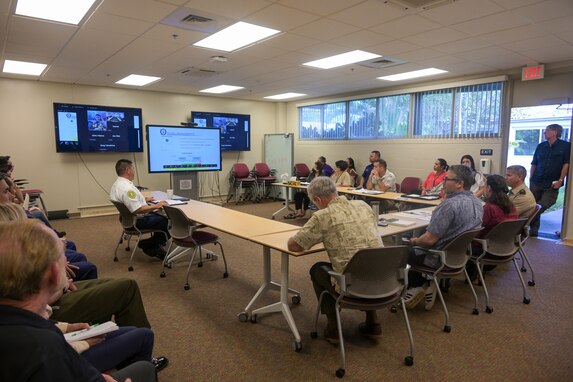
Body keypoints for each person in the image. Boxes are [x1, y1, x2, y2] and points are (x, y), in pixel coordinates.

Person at [0, 220, 158, 382]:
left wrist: (68, 328)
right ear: (54, 272)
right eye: (63, 257)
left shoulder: (20, 327)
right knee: (144, 366)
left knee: (137, 334)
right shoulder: (45, 350)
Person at [287, 177, 384, 342]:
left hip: (353, 285)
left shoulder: (323, 216)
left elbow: (295, 246)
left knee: (318, 270)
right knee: (364, 260)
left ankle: (333, 327)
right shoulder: (363, 205)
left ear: (317, 199)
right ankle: (373, 322)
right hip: (384, 279)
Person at [405, 165, 483, 310]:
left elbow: (428, 240)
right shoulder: (478, 203)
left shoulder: (449, 205)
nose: (443, 182)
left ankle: (415, 287)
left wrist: (413, 241)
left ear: (459, 183)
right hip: (460, 257)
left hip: (438, 259)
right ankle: (427, 284)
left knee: (406, 249)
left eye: (447, 179)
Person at [0, 173, 98, 281]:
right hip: (36, 273)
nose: (12, 195)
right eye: (6, 191)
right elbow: (21, 257)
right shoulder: (7, 222)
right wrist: (56, 264)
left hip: (39, 262)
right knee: (88, 266)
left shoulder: (8, 214)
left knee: (75, 253)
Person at [110, 159, 169, 258]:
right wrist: (156, 205)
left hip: (126, 219)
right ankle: (148, 244)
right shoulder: (127, 189)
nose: (134, 170)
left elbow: (128, 202)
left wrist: (144, 199)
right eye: (133, 168)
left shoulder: (117, 184)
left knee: (159, 215)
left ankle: (154, 244)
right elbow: (137, 210)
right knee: (167, 221)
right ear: (128, 170)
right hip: (136, 221)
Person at [529, 124, 570, 236]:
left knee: (542, 205)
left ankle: (523, 224)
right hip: (536, 181)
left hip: (552, 183)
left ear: (554, 132)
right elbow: (534, 163)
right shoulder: (541, 146)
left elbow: (566, 165)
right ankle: (533, 232)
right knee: (533, 205)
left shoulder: (566, 146)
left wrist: (561, 180)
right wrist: (531, 178)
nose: (544, 132)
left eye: (547, 130)